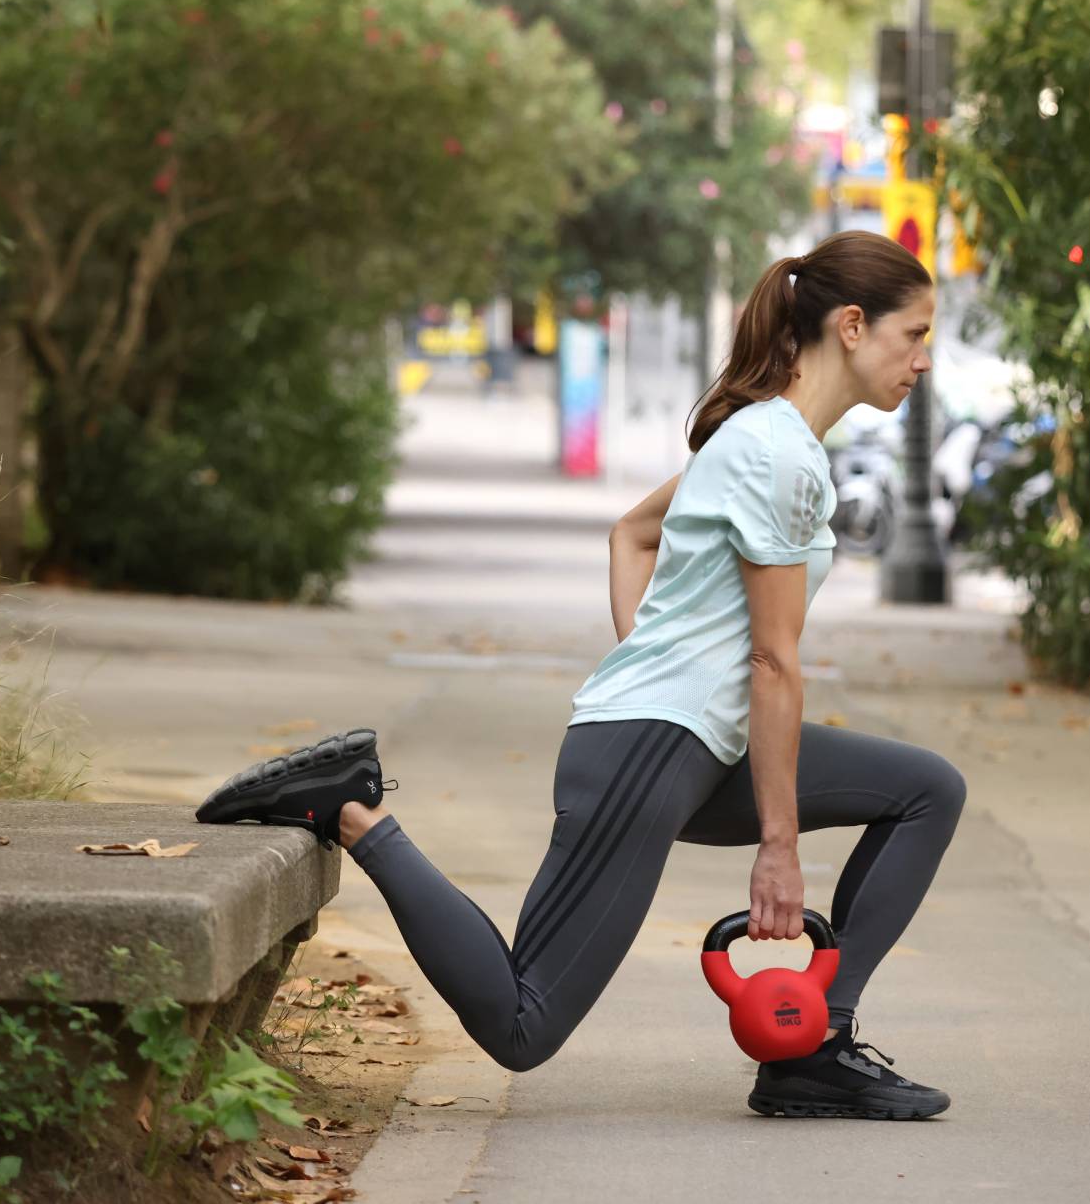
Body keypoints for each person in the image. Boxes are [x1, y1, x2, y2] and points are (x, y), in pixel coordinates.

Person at [197, 230, 968, 1120]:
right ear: (850, 324)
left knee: (925, 791)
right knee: (523, 1026)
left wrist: (658, 664)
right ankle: (349, 806)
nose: (922, 360)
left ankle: (815, 1049)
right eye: (913, 335)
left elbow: (630, 534)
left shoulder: (765, 437)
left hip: (683, 742)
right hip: (650, 752)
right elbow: (773, 658)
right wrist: (777, 846)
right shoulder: (779, 454)